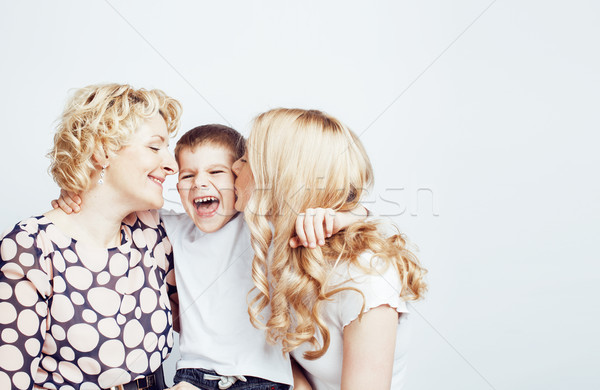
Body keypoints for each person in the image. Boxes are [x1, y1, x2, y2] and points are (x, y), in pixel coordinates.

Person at [54, 123, 366, 390]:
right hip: (193, 377)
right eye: (188, 176)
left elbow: (362, 215)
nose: (200, 182)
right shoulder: (171, 228)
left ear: (240, 181)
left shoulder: (261, 225)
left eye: (217, 172)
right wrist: (77, 191)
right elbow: (111, 204)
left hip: (264, 380)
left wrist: (340, 218)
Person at [0, 84, 182, 389]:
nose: (172, 165)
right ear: (101, 150)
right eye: (155, 147)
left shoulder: (151, 230)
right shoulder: (31, 247)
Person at [232, 108, 428, 390]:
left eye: (246, 159)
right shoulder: (279, 248)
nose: (235, 167)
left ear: (281, 179)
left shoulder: (365, 277)